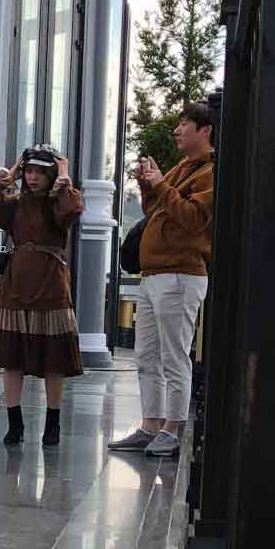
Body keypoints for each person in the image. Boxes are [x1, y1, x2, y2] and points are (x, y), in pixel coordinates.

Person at [110, 102, 215, 460]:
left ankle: (172, 429)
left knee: (174, 355)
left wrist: (162, 186)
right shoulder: (183, 166)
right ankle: (149, 425)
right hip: (154, 275)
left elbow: (192, 219)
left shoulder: (210, 172)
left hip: (181, 276)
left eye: (185, 123)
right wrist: (148, 186)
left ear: (205, 130)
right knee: (146, 356)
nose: (177, 130)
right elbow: (154, 211)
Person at [0, 145, 84, 447]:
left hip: (51, 286)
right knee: (11, 359)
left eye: (40, 172)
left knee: (54, 361)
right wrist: (7, 178)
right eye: (29, 172)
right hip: (16, 286)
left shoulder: (59, 202)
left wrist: (64, 179)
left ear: (51, 175)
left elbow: (71, 211)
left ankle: (53, 423)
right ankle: (15, 423)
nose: (32, 177)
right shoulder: (15, 203)